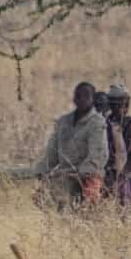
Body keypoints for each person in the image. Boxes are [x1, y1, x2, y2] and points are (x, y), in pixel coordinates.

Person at [35, 81, 109, 209]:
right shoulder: (64, 121)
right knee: (46, 205)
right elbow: (52, 151)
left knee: (84, 214)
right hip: (64, 175)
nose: (81, 99)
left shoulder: (97, 122)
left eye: (86, 96)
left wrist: (82, 173)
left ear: (93, 99)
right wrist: (43, 170)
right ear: (74, 98)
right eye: (78, 95)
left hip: (87, 177)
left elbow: (98, 154)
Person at [100, 83, 131, 198]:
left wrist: (122, 173)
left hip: (127, 170)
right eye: (117, 104)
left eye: (125, 104)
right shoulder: (104, 123)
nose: (122, 108)